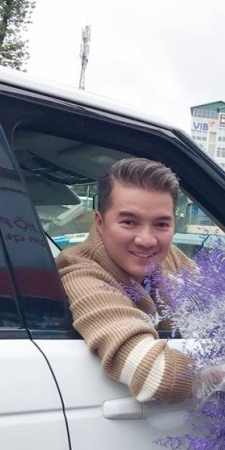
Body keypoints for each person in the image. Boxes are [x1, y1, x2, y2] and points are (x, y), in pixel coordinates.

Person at [56, 157, 199, 403]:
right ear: (100, 223)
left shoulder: (171, 258)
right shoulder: (80, 273)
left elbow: (223, 303)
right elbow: (153, 372)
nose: (147, 240)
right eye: (129, 222)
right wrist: (220, 377)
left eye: (161, 224)